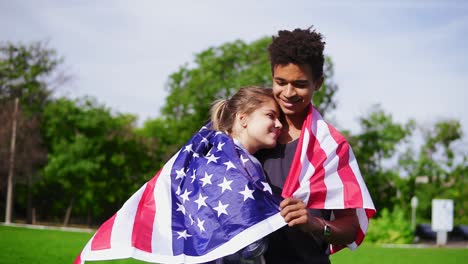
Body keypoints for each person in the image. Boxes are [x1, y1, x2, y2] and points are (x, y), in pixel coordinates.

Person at [256, 27, 375, 263]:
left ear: (317, 83)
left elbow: (350, 228)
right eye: (280, 82)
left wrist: (315, 224)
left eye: (300, 84)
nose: (288, 93)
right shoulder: (247, 129)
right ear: (272, 77)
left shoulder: (332, 147)